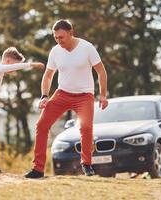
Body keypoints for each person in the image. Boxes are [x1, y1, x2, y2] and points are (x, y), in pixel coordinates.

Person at [24, 19, 108, 178]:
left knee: (86, 128)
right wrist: (44, 96)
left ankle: (87, 164)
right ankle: (38, 169)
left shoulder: (87, 48)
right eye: (56, 38)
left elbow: (101, 72)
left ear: (71, 33)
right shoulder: (55, 51)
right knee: (41, 125)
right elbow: (48, 76)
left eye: (61, 37)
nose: (59, 41)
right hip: (62, 93)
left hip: (84, 95)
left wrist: (103, 94)